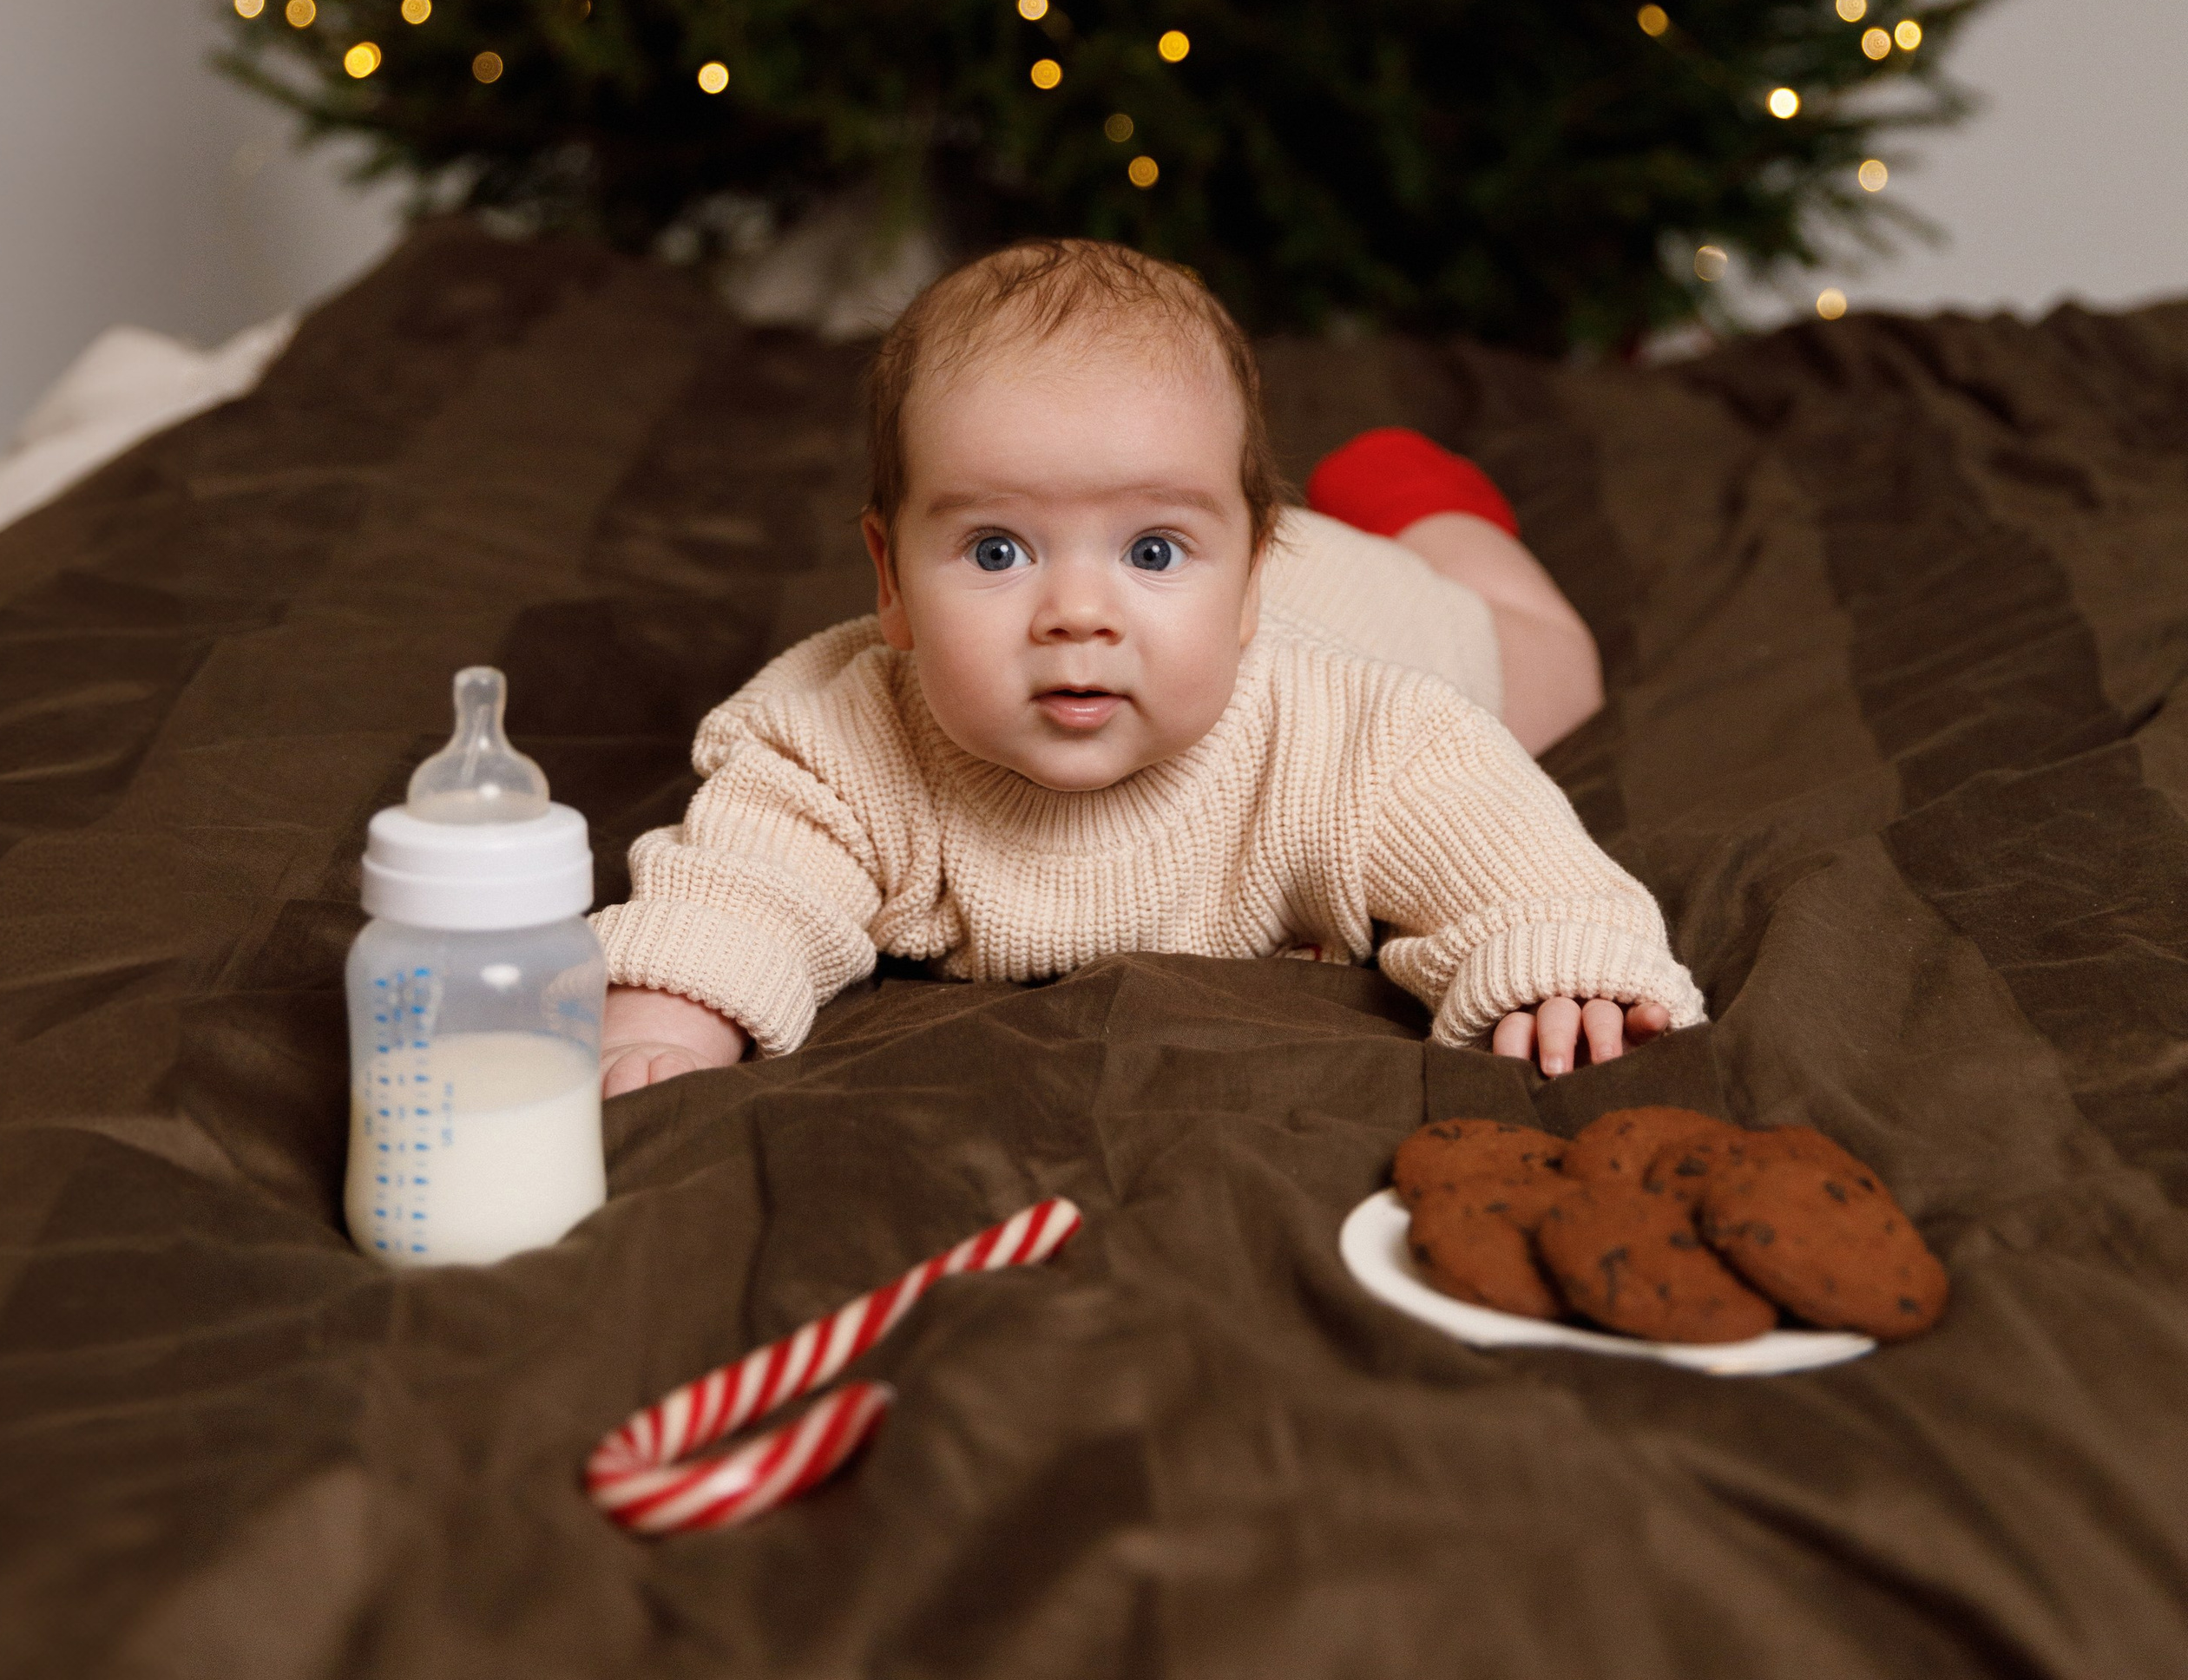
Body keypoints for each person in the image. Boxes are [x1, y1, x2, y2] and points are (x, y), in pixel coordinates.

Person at [595, 240, 1702, 1099]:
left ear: (1251, 572)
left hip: (1380, 604)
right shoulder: (839, 745)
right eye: (996, 550)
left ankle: (1416, 493)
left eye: (1152, 550)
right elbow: (740, 890)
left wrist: (1558, 962)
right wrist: (663, 1021)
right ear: (888, 578)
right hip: (1265, 569)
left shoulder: (1363, 737)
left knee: (1555, 664)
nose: (1078, 612)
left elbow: (1512, 858)